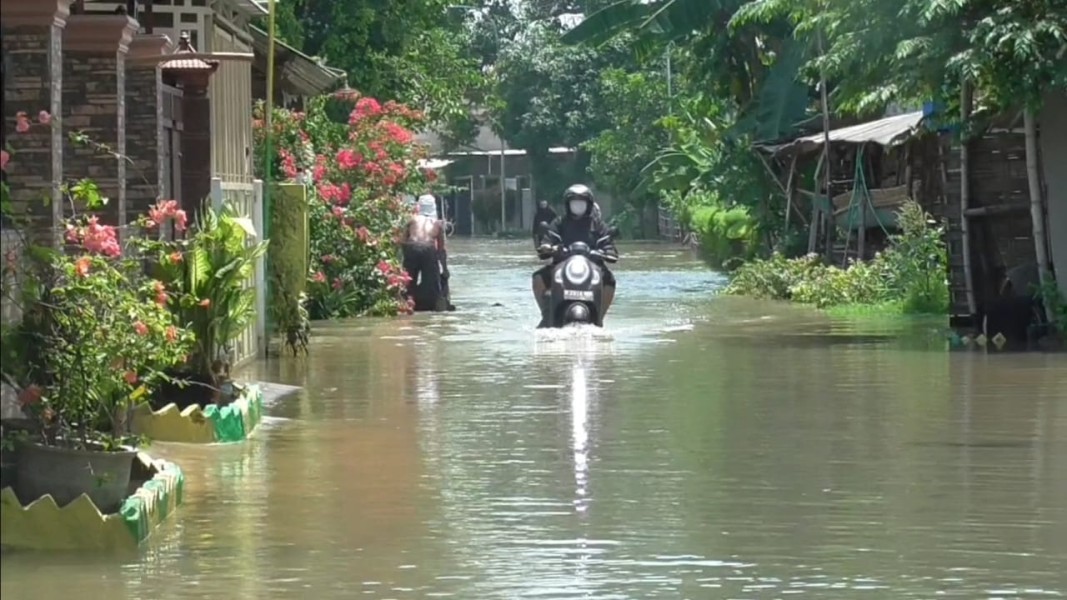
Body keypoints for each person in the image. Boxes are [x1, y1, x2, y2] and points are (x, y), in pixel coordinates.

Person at [532, 184, 617, 326]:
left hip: (593, 269)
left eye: (581, 202)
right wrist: (548, 247)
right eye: (574, 203)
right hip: (562, 267)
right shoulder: (559, 223)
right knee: (538, 278)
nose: (578, 206)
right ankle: (547, 315)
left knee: (610, 281)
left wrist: (607, 252)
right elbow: (547, 241)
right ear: (568, 205)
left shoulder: (598, 225)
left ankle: (599, 318)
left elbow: (609, 245)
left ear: (588, 204)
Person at [401, 195, 453, 311]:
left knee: (408, 281)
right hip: (428, 248)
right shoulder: (438, 223)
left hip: (411, 247)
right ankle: (433, 304)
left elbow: (402, 241)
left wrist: (404, 261)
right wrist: (444, 269)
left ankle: (407, 302)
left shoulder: (411, 219)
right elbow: (441, 250)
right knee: (432, 284)